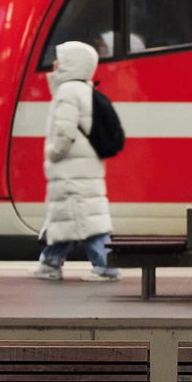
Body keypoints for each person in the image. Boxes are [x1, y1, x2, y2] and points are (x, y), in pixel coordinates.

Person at [32, 41, 119, 282]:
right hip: (83, 164)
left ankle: (106, 265)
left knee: (82, 218)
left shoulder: (68, 91)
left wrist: (53, 152)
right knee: (71, 216)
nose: (54, 64)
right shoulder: (83, 89)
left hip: (71, 166)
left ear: (72, 63)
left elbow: (64, 132)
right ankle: (50, 262)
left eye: (60, 59)